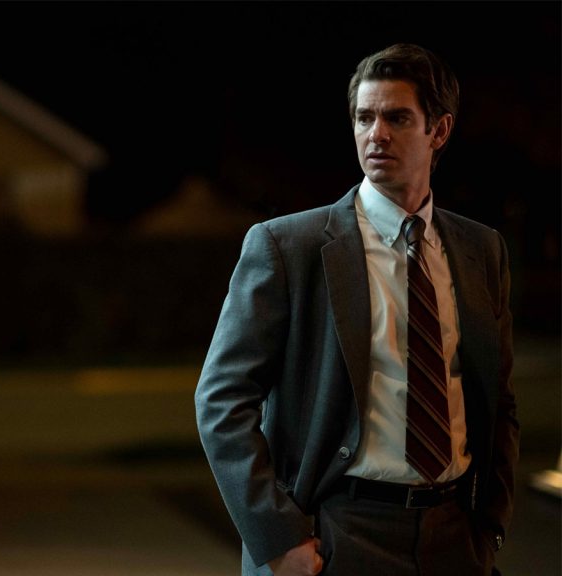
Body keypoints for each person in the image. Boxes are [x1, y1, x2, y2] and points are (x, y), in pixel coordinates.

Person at [195, 43, 517, 576]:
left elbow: (499, 401)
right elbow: (221, 401)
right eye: (364, 117)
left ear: (439, 131)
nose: (377, 134)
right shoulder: (288, 247)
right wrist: (278, 539)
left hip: (454, 537)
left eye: (397, 118)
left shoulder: (481, 251)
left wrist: (491, 524)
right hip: (338, 533)